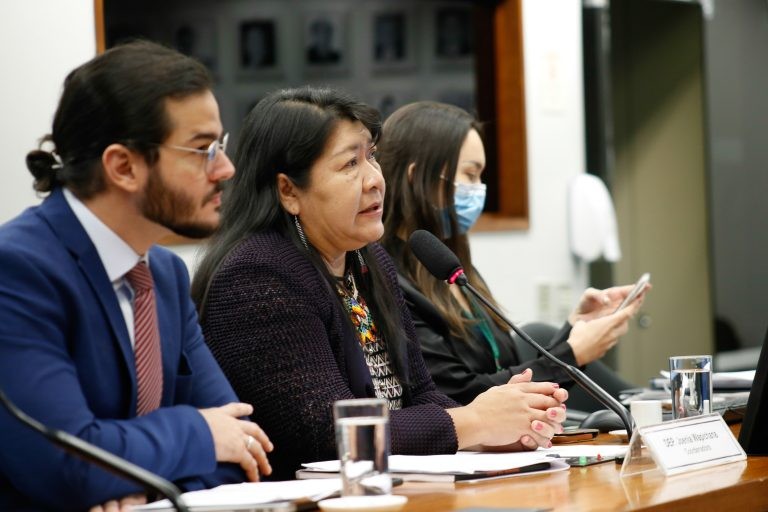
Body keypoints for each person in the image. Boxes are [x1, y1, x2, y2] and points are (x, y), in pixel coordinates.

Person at [191, 86, 568, 481]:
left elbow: (420, 395)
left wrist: (493, 432)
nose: (374, 179)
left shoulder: (368, 261)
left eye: (371, 155)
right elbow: (328, 435)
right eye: (350, 164)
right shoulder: (258, 276)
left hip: (387, 488)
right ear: (289, 191)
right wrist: (472, 422)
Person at [0, 41, 272, 511]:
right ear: (123, 166)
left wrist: (137, 485)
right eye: (203, 149)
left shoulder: (163, 273)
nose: (226, 169)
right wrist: (197, 431)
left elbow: (242, 447)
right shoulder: (19, 269)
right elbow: (65, 462)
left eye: (221, 147)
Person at [378, 101, 646, 408]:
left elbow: (506, 373)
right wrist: (573, 353)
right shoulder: (388, 279)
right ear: (416, 177)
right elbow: (460, 397)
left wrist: (575, 329)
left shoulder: (452, 266)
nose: (479, 189)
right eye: (469, 174)